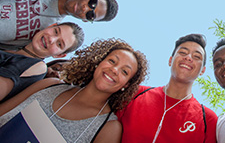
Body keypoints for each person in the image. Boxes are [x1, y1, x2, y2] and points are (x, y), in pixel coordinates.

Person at [0, 38, 147, 142]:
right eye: (112, 61)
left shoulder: (108, 128)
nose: (114, 70)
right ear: (99, 62)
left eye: (125, 72)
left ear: (126, 85)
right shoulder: (49, 85)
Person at [117, 33, 217, 143]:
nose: (188, 58)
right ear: (170, 60)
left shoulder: (208, 120)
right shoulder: (134, 93)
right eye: (183, 52)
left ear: (202, 70)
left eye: (197, 57)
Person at [0, 22, 84, 102]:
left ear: (59, 55)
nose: (51, 39)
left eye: (59, 44)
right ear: (51, 26)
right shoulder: (10, 45)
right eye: (55, 31)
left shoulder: (38, 67)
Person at [0, 0, 118, 48]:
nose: (85, 8)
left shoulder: (48, 34)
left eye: (90, 15)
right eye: (92, 3)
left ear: (86, 20)